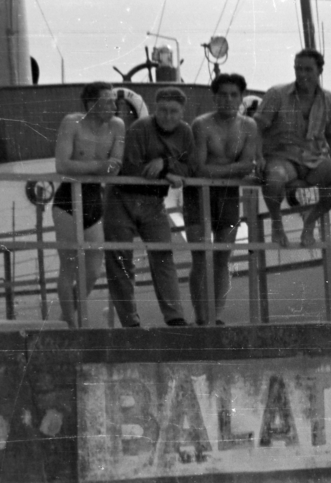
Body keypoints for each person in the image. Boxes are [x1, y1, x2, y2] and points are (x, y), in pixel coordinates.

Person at [104, 87, 192, 328]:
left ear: (182, 112)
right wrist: (168, 171)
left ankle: (175, 318)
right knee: (121, 260)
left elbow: (191, 166)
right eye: (163, 110)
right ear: (155, 109)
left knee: (163, 256)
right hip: (121, 199)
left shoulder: (185, 133)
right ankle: (129, 322)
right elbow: (132, 168)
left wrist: (164, 163)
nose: (168, 116)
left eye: (174, 111)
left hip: (153, 202)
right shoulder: (139, 129)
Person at [254, 48, 331, 247]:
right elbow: (256, 127)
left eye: (308, 69)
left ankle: (311, 220)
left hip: (314, 160)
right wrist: (258, 156)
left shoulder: (329, 99)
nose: (302, 74)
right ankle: (277, 223)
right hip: (282, 158)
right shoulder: (277, 94)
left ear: (319, 71)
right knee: (274, 178)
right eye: (298, 69)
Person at [188, 73, 261, 326]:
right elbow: (200, 168)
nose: (227, 99)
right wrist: (235, 169)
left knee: (222, 257)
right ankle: (201, 317)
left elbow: (248, 163)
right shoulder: (202, 124)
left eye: (233, 94)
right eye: (222, 95)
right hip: (198, 194)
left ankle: (216, 315)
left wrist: (225, 169)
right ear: (214, 97)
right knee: (200, 256)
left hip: (228, 194)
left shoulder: (249, 126)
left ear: (241, 97)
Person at [52, 81, 125, 327]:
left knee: (93, 269)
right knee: (69, 264)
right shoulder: (72, 123)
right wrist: (97, 167)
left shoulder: (117, 126)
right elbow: (62, 165)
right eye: (107, 101)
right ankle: (71, 323)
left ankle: (67, 311)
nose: (113, 106)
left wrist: (92, 169)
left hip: (93, 199)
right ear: (91, 103)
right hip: (67, 200)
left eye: (114, 100)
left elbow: (114, 168)